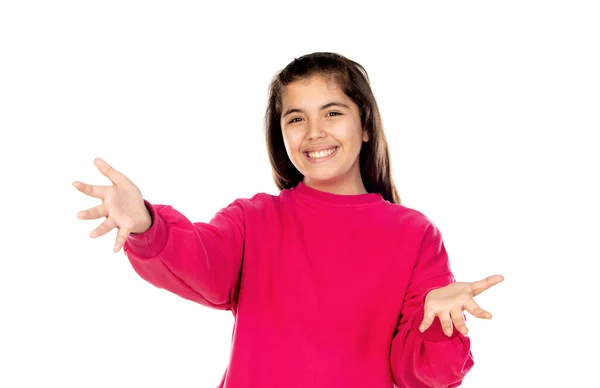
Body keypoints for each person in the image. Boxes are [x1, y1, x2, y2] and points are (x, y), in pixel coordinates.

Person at [73, 52, 504, 388]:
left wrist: (437, 325)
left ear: (366, 124)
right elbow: (200, 262)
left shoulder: (413, 234)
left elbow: (423, 374)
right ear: (281, 134)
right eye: (296, 118)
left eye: (332, 113)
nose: (314, 131)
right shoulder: (254, 219)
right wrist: (147, 223)